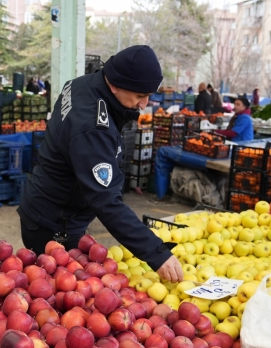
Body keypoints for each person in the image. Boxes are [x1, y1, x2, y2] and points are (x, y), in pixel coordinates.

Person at [17, 45, 183, 283]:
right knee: (57, 295)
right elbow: (106, 202)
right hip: (53, 223)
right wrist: (157, 253)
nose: (144, 104)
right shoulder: (92, 127)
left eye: (149, 96)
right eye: (139, 96)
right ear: (114, 84)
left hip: (49, 204)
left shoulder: (82, 84)